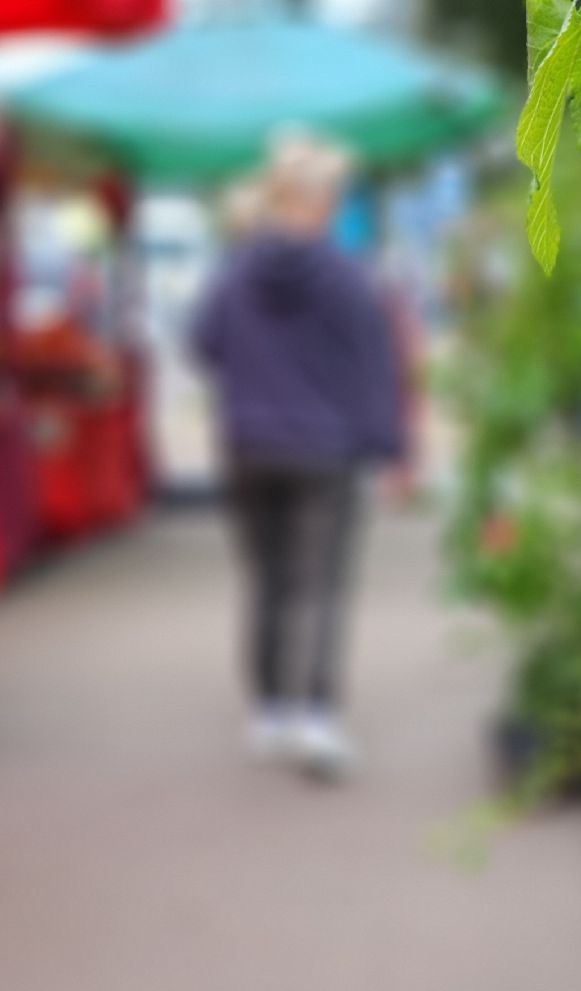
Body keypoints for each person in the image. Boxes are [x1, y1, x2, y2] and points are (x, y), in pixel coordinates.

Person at [192, 136, 405, 775]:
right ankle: (314, 714)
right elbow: (376, 364)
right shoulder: (346, 276)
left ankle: (268, 709)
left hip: (249, 445)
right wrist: (388, 446)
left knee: (268, 578)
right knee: (320, 582)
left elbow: (202, 343)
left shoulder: (235, 270)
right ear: (325, 201)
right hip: (326, 449)